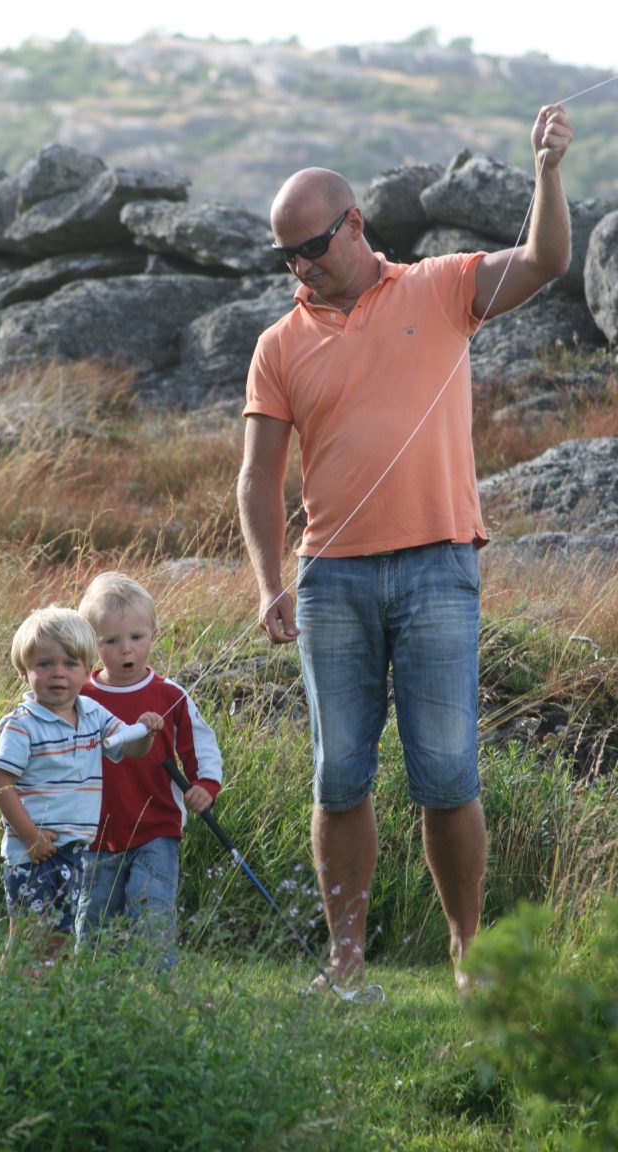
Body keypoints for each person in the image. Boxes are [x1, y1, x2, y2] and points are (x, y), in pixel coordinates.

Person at [236, 105, 574, 993]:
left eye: (313, 246)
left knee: (448, 773)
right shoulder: (277, 346)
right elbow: (258, 478)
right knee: (338, 776)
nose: (302, 266)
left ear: (354, 223)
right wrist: (269, 583)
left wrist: (545, 174)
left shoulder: (442, 285)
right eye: (286, 255)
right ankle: (345, 961)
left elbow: (546, 261)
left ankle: (467, 953)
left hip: (438, 567)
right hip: (330, 581)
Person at [0, 605, 163, 971]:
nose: (58, 673)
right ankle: (13, 998)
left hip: (75, 851)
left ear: (87, 670)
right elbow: (1, 786)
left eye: (70, 664)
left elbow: (130, 748)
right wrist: (31, 837)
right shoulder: (22, 725)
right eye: (44, 664)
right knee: (31, 937)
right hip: (34, 852)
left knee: (59, 937)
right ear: (24, 671)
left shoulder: (93, 714)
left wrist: (145, 731)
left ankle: (41, 999)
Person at [75, 571, 223, 968]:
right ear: (91, 644)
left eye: (136, 637)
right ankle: (94, 991)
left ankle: (158, 990)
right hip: (94, 832)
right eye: (110, 641)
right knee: (95, 920)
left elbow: (201, 748)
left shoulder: (169, 695)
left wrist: (205, 785)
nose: (126, 649)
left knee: (151, 912)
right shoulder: (80, 698)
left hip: (157, 827)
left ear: (154, 634)